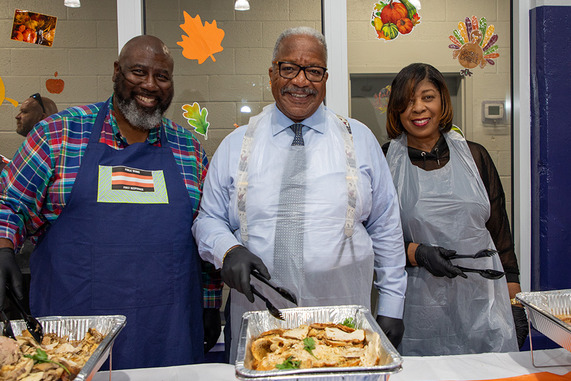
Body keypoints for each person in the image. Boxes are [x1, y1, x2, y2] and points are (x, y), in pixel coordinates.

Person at [0, 35, 222, 369]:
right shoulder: (58, 134)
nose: (150, 85)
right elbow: (10, 205)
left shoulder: (188, 149)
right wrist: (3, 248)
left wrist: (209, 304)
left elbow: (206, 229)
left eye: (161, 76)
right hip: (73, 346)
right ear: (116, 72)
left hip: (169, 339)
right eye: (138, 72)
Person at [192, 26, 407, 363]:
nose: (301, 81)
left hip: (343, 323)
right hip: (260, 320)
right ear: (272, 73)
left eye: (314, 71)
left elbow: (385, 227)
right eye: (289, 68)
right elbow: (208, 219)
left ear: (325, 77)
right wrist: (228, 249)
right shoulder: (236, 146)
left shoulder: (359, 139)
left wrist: (393, 303)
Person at [382, 62, 528, 355]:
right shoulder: (385, 161)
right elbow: (371, 238)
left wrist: (515, 302)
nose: (418, 108)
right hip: (418, 306)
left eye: (427, 97)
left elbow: (500, 236)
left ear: (442, 101)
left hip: (482, 303)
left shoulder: (475, 156)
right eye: (408, 101)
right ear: (397, 110)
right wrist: (416, 252)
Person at [0, 93, 59, 320]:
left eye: (24, 111)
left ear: (43, 118)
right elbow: (11, 205)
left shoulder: (59, 159)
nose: (17, 116)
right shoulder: (11, 163)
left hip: (42, 270)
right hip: (15, 263)